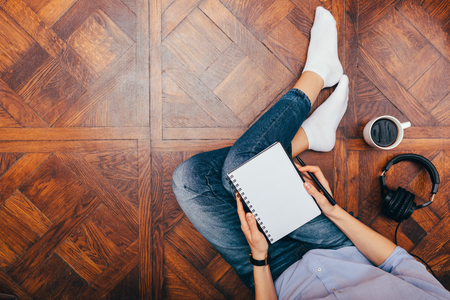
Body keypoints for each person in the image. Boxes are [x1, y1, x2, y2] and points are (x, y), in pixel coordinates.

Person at [172, 6, 450, 299]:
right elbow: (396, 262)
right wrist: (333, 211)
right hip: (334, 244)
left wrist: (259, 257)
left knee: (190, 177)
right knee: (242, 167)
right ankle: (317, 76)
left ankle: (309, 130)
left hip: (274, 272)